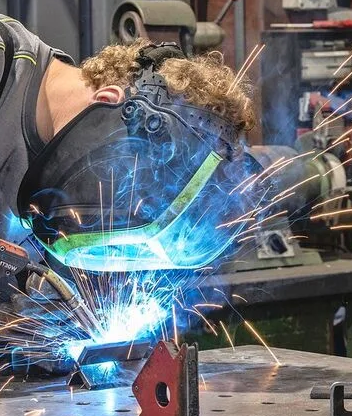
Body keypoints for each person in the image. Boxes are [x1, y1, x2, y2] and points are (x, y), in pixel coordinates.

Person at [0, 15, 257, 299]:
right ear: (108, 101)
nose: (121, 198)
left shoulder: (46, 199)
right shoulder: (6, 66)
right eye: (132, 183)